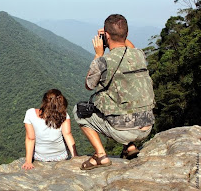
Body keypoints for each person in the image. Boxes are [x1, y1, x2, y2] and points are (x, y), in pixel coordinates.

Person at [73, 14, 155, 170]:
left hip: (123, 131)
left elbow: (89, 85)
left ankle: (101, 156)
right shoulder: (139, 55)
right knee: (126, 101)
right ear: (127, 35)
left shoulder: (104, 61)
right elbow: (128, 47)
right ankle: (130, 147)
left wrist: (98, 54)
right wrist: (117, 35)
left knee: (79, 111)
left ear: (106, 36)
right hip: (147, 126)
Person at [22, 89, 78, 170]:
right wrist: (75, 157)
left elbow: (30, 138)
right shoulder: (63, 115)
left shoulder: (30, 114)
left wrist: (28, 161)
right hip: (61, 157)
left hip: (40, 157)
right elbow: (68, 135)